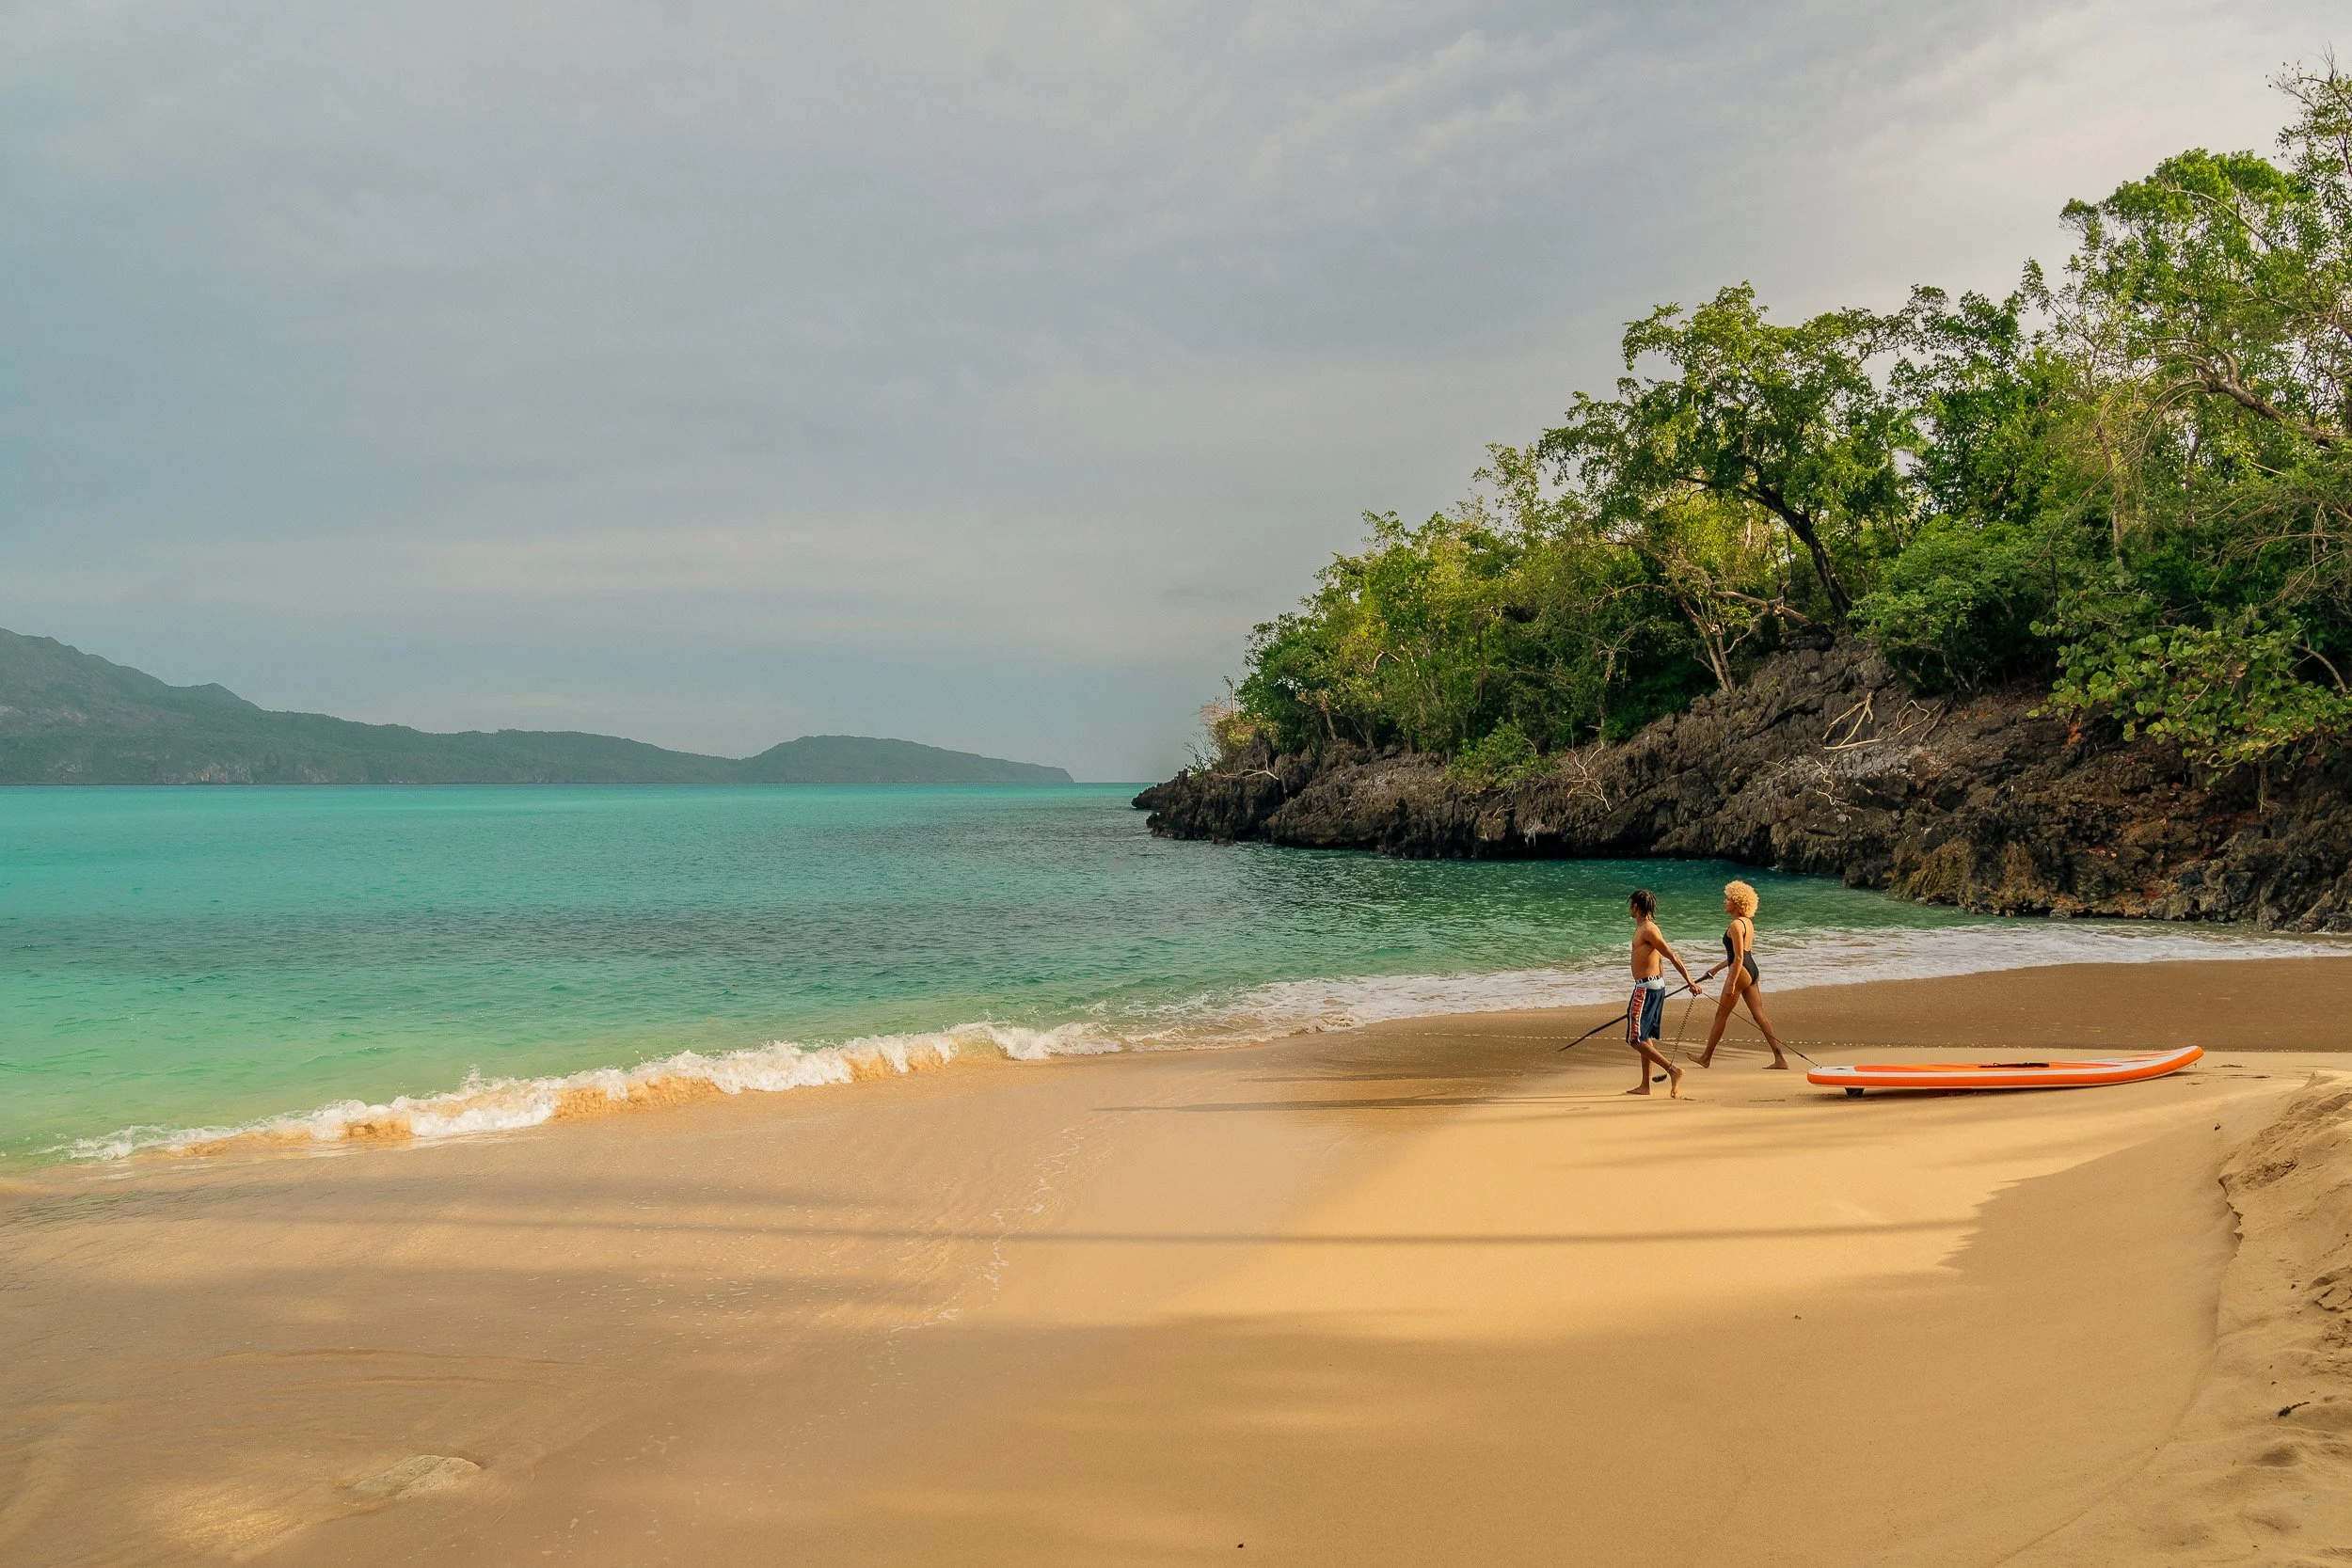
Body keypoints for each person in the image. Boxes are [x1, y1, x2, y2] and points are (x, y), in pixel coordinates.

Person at [1694, 879, 1789, 1070]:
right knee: (1760, 1015)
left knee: (1721, 1016)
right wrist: (1716, 969)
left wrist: (1730, 982)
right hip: (1752, 970)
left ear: (1737, 903)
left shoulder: (1735, 925)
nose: (1725, 901)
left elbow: (1737, 958)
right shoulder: (1747, 923)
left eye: (1728, 898)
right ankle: (1780, 1059)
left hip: (1740, 972)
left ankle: (1706, 1057)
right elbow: (1742, 954)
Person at [1624, 889, 1701, 1097]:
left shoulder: (1648, 930)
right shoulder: (1646, 928)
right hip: (1652, 987)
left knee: (1634, 1038)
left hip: (1646, 988)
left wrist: (1690, 981)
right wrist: (1660, 985)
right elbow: (1657, 959)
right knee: (1644, 1036)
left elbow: (1670, 954)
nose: (1630, 909)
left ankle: (1673, 1070)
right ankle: (1645, 1086)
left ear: (1636, 907)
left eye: (1631, 905)